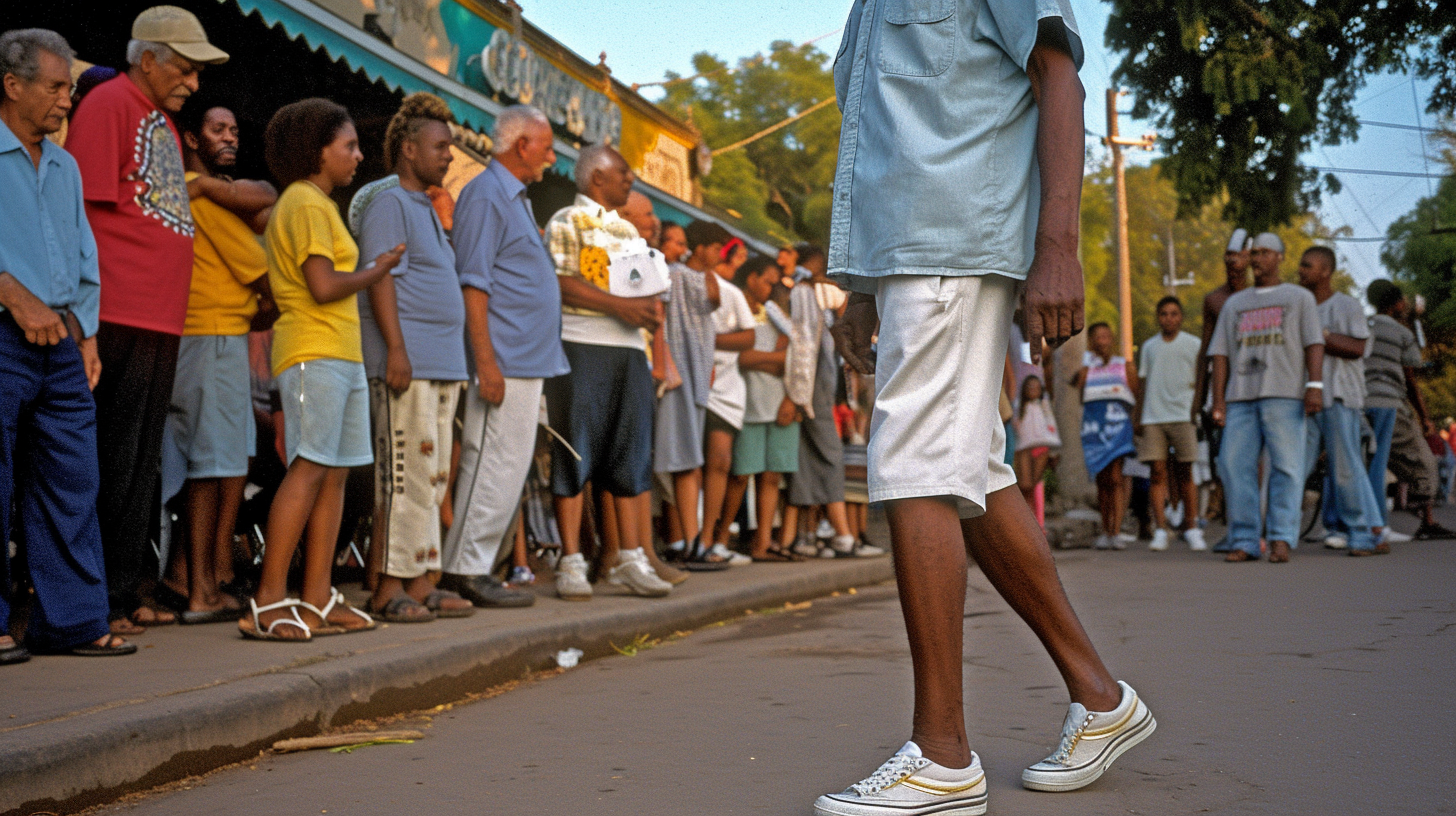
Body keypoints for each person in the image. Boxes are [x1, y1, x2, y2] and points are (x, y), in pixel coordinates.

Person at [822, 2, 1156, 812]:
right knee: (969, 470)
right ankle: (1100, 697)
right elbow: (885, 134)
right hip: (907, 251)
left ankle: (942, 756)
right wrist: (862, 285)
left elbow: (1058, 78)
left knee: (915, 467)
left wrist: (1059, 247)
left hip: (955, 239)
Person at [65, 5, 229, 635]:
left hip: (158, 318)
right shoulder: (109, 105)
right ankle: (98, 601)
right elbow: (81, 212)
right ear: (149, 58)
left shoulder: (158, 117)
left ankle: (125, 589)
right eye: (185, 69)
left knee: (140, 464)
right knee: (111, 457)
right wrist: (85, 319)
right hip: (118, 313)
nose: (193, 82)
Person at [240, 98, 404, 641]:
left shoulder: (319, 204)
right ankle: (268, 599)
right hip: (314, 352)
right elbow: (323, 285)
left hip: (339, 352)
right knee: (311, 467)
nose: (358, 156)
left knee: (335, 472)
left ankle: (315, 598)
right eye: (349, 146)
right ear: (318, 152)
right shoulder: (306, 203)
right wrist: (376, 269)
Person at [0, 28, 137, 662]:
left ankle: (74, 622)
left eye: (69, 88)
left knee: (73, 479)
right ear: (13, 86)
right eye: (55, 87)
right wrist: (11, 293)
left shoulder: (65, 163)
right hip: (4, 331)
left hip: (62, 340)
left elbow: (84, 253)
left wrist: (87, 333)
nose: (66, 99)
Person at [354, 93, 479, 621]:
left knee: (430, 478)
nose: (449, 156)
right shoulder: (388, 202)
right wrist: (397, 351)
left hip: (442, 364)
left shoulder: (423, 205)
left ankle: (423, 578)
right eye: (440, 146)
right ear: (408, 149)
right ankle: (387, 587)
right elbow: (382, 278)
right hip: (408, 363)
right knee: (401, 475)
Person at [439, 105, 568, 606]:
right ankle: (463, 569)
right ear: (522, 147)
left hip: (524, 358)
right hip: (504, 357)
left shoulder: (512, 197)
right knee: (489, 461)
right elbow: (473, 282)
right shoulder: (486, 194)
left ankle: (475, 566)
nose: (551, 157)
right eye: (547, 146)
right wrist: (486, 361)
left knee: (508, 464)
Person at [157, 102, 276, 624]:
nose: (229, 137)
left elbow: (266, 199)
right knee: (210, 467)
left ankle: (195, 576)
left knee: (219, 464)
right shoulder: (198, 195)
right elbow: (263, 271)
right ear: (190, 138)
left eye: (233, 129)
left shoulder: (210, 195)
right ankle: (198, 588)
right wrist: (272, 299)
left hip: (213, 337)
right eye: (216, 129)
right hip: (210, 337)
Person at [542, 144, 673, 600]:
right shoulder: (565, 221)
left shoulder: (628, 233)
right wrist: (621, 305)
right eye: (622, 172)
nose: (629, 179)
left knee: (630, 451)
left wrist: (649, 316)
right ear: (597, 176)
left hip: (628, 351)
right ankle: (571, 560)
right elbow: (558, 282)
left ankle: (629, 557)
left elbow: (645, 295)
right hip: (581, 345)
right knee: (574, 450)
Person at [1209, 232, 1324, 563]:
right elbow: (1220, 354)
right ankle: (1244, 538)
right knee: (1233, 466)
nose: (1256, 258)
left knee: (1287, 468)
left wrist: (1314, 385)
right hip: (1241, 398)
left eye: (1263, 252)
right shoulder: (1236, 303)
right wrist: (1218, 401)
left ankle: (1281, 537)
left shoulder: (1298, 297)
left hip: (1285, 395)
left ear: (1279, 258)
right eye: (1253, 252)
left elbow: (1314, 343)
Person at [784, 244, 883, 558]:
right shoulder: (803, 296)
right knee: (831, 458)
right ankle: (843, 535)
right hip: (813, 394)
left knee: (811, 460)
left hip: (820, 393)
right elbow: (803, 351)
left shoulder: (819, 304)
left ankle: (807, 536)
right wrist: (800, 395)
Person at [1294, 246, 1386, 555]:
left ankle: (1362, 533)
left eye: (1307, 266)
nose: (1301, 270)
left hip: (1339, 395)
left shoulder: (1346, 305)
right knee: (1296, 466)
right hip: (1305, 399)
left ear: (1325, 271)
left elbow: (1359, 347)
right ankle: (1376, 530)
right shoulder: (1300, 305)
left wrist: (1319, 335)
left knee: (1346, 467)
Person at [655, 221, 728, 567]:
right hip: (677, 374)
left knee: (687, 459)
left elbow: (713, 300)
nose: (718, 254)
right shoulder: (675, 274)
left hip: (696, 378)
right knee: (683, 460)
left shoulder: (703, 278)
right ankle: (690, 541)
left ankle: (688, 539)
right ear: (700, 248)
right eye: (714, 246)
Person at [720, 256, 801, 562]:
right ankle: (721, 538)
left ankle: (762, 543)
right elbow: (740, 358)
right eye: (768, 280)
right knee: (740, 475)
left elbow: (797, 360)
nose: (772, 287)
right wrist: (779, 360)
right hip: (748, 403)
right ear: (751, 278)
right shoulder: (738, 312)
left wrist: (774, 363)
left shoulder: (777, 316)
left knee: (771, 477)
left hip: (783, 403)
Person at [1363, 279, 1455, 542]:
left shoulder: (1361, 325)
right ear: (1397, 304)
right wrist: (1425, 417)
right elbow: (1411, 378)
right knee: (1423, 461)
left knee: (1371, 462)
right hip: (1390, 404)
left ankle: (1359, 523)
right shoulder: (1402, 333)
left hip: (1358, 403)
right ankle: (1426, 519)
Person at [699, 227, 761, 560]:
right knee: (687, 464)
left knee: (720, 461)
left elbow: (748, 338)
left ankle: (711, 540)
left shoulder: (731, 292)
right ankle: (687, 538)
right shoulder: (679, 282)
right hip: (690, 385)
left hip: (725, 389)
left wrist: (706, 343)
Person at [1193, 229, 1251, 549]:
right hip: (1223, 392)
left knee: (1252, 462)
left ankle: (1256, 528)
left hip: (1256, 386)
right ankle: (1235, 527)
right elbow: (1207, 350)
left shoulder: (1260, 296)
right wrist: (1198, 399)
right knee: (1225, 462)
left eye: (1238, 256)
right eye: (1228, 256)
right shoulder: (1214, 299)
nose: (1232, 262)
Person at [1134, 296, 1205, 551]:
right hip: (1154, 415)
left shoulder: (1194, 344)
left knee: (1186, 472)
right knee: (1157, 473)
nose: (1169, 318)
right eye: (1163, 314)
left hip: (1183, 415)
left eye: (1174, 313)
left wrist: (1196, 409)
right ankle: (1161, 529)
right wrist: (1138, 416)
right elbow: (1142, 383)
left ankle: (1192, 526)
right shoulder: (1149, 347)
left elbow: (1201, 380)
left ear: (1181, 317)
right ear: (1158, 317)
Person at [1076, 323, 1139, 549]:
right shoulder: (1086, 368)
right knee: (1101, 479)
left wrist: (1134, 424)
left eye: (1106, 336)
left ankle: (1116, 530)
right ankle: (1105, 529)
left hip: (1118, 427)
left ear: (1111, 339)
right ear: (1091, 342)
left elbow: (1134, 394)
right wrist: (1087, 367)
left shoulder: (1124, 366)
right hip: (1094, 427)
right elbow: (1081, 395)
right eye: (1097, 337)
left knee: (1115, 478)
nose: (1102, 341)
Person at [1013, 375, 1060, 511]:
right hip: (1024, 448)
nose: (1033, 389)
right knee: (1025, 485)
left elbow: (1052, 428)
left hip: (1042, 448)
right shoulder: (1019, 406)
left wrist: (1054, 452)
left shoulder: (1044, 406)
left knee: (1034, 484)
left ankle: (1034, 516)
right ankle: (1026, 513)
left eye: (1036, 387)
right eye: (1030, 387)